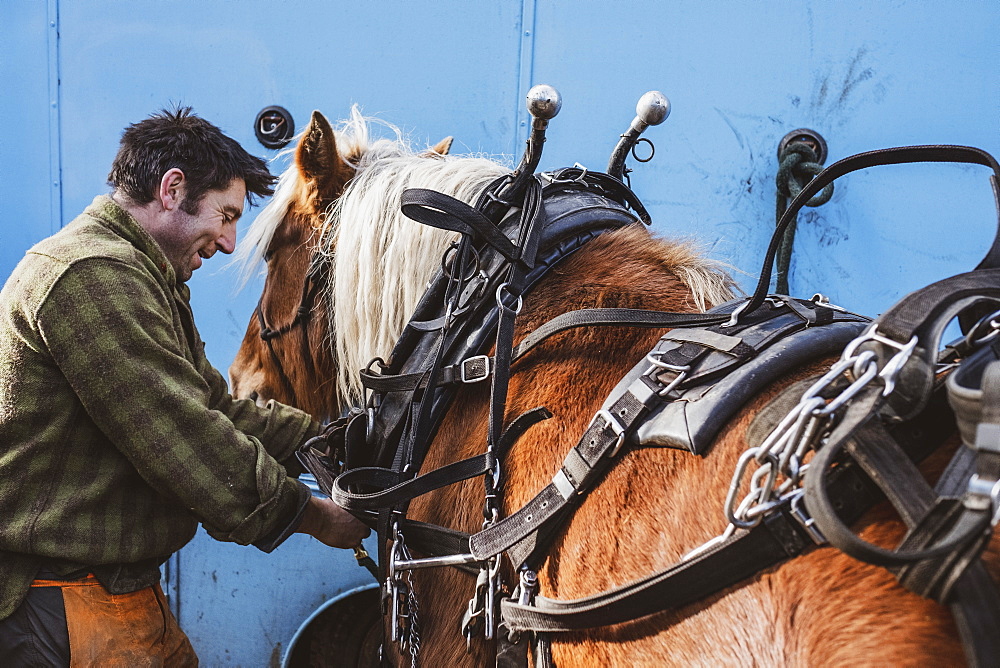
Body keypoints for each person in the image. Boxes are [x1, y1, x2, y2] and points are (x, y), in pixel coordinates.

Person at [0, 107, 369, 665]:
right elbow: (185, 438)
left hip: (122, 596)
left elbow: (215, 408)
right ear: (172, 190)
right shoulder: (88, 275)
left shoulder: (145, 277)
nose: (227, 242)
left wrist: (338, 442)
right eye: (225, 215)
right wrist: (313, 517)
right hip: (62, 603)